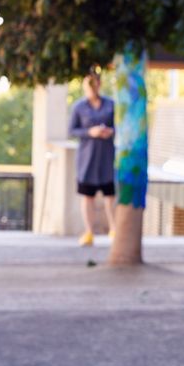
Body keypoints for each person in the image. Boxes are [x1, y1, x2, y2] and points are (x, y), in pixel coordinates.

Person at [69, 71, 115, 246]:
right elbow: (72, 130)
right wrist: (90, 132)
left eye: (95, 84)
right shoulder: (78, 107)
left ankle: (114, 229)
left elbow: (119, 126)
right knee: (87, 197)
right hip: (86, 159)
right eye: (89, 84)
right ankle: (89, 232)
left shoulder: (111, 104)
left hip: (106, 158)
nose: (92, 88)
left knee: (109, 196)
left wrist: (110, 131)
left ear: (99, 84)